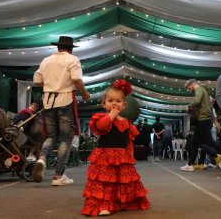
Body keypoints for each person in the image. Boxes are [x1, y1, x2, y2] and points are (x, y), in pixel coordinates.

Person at [81, 79, 150, 216]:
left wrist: (131, 154)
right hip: (105, 157)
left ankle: (123, 202)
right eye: (110, 100)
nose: (114, 103)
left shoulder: (126, 123)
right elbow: (102, 127)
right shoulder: (101, 117)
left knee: (122, 182)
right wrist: (111, 115)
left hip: (122, 156)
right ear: (104, 103)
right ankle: (104, 205)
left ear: (124, 105)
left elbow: (129, 141)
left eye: (118, 101)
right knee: (106, 182)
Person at [32, 36, 91, 186]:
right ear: (71, 48)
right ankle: (59, 175)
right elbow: (77, 79)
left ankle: (42, 159)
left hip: (48, 101)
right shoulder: (72, 59)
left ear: (58, 47)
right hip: (65, 100)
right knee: (65, 138)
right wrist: (84, 94)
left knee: (51, 136)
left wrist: (52, 84)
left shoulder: (46, 60)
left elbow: (37, 80)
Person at [180, 79, 221, 172]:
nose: (189, 90)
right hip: (203, 120)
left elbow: (197, 101)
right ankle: (190, 164)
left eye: (189, 88)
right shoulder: (203, 90)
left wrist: (188, 106)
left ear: (192, 84)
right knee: (196, 143)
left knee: (209, 142)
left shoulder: (199, 89)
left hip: (203, 120)